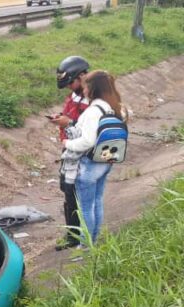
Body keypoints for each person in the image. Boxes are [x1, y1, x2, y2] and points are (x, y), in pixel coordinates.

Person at [63, 70, 125, 245]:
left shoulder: (93, 111)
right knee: (97, 201)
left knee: (85, 207)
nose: (83, 90)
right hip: (106, 159)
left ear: (93, 89)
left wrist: (68, 143)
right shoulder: (112, 106)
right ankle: (94, 241)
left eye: (86, 87)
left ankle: (86, 245)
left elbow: (87, 141)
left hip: (90, 164)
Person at [51, 55, 90, 250]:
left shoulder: (95, 100)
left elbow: (92, 131)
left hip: (87, 154)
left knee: (82, 195)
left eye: (70, 82)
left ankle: (84, 237)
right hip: (71, 151)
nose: (69, 87)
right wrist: (62, 119)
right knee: (68, 192)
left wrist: (70, 123)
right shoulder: (74, 96)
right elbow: (71, 118)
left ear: (82, 76)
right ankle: (73, 235)